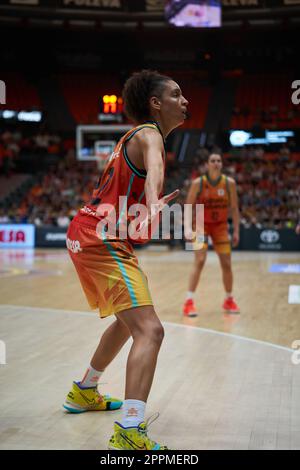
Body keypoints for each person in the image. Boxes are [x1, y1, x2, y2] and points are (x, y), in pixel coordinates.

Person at [63, 70, 188, 450]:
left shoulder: (132, 137)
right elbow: (155, 169)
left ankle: (85, 389)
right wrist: (153, 201)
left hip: (89, 234)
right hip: (101, 238)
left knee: (125, 322)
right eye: (176, 94)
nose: (185, 101)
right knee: (150, 330)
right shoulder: (149, 134)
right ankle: (130, 430)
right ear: (155, 103)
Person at [182, 152, 240, 317]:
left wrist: (236, 230)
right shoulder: (198, 183)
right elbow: (188, 206)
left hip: (221, 226)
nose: (216, 163)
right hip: (200, 224)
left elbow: (234, 209)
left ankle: (229, 299)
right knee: (200, 259)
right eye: (213, 161)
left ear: (222, 164)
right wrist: (187, 227)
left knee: (226, 263)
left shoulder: (229, 184)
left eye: (219, 161)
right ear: (207, 164)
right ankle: (189, 301)